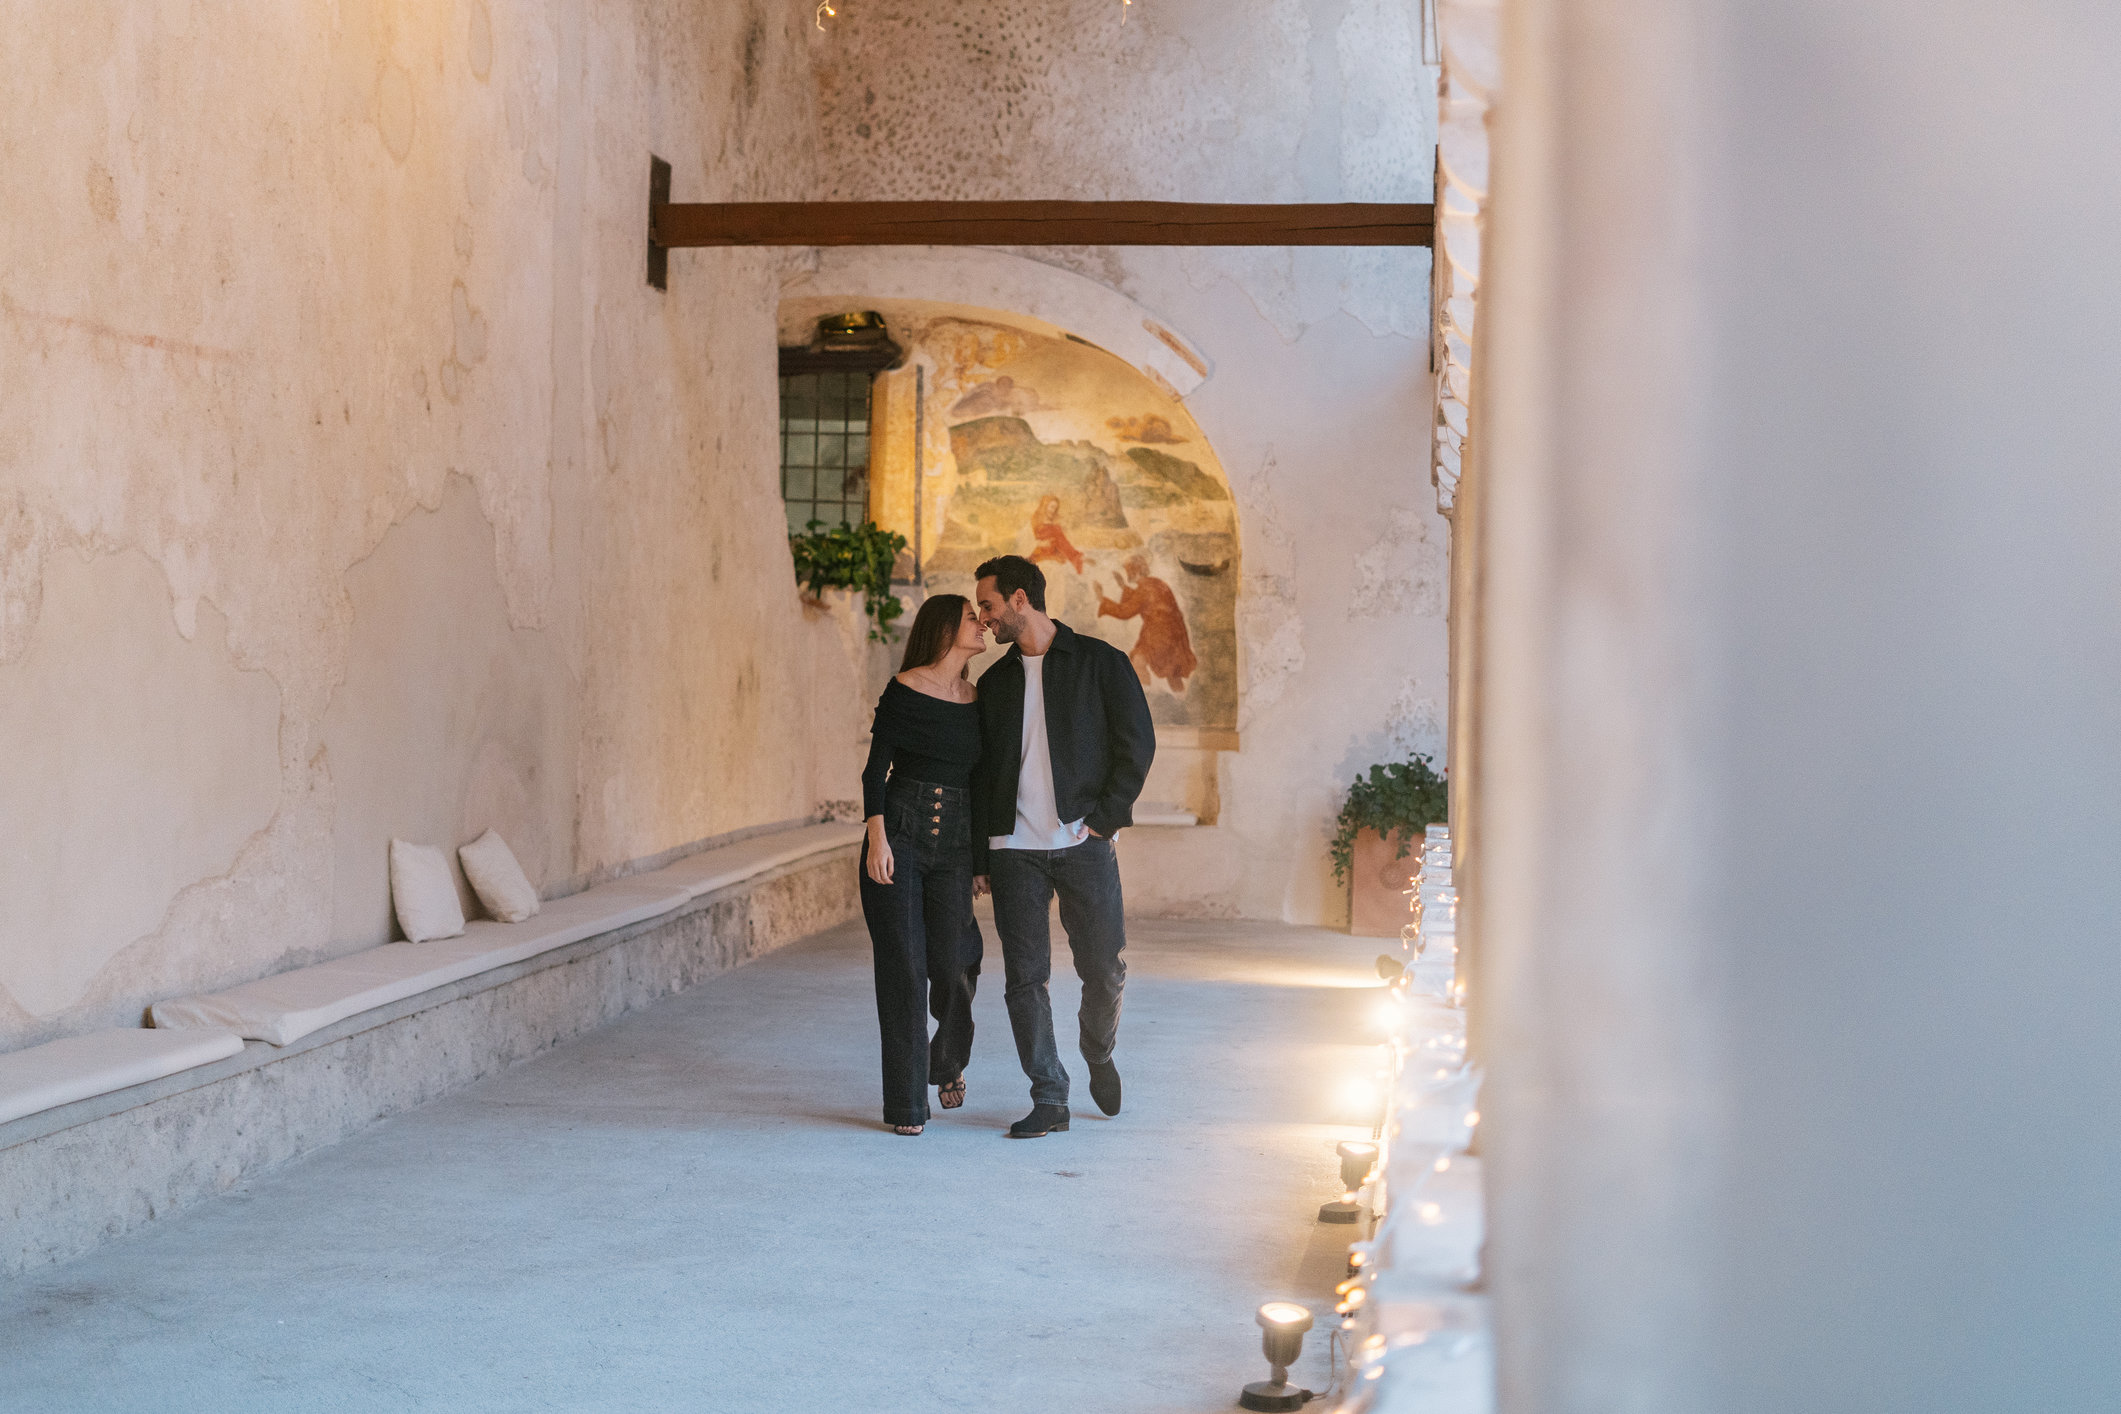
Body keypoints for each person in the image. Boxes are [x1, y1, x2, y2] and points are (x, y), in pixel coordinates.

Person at [971, 554, 1156, 1138]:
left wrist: (1104, 819)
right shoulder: (994, 684)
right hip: (1013, 850)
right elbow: (981, 774)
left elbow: (1137, 744)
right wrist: (981, 854)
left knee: (1104, 967)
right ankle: (1049, 1094)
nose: (984, 618)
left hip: (1082, 841)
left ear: (1020, 599)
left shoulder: (1101, 663)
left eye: (988, 605)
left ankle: (1098, 1052)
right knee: (1025, 979)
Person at [859, 593, 989, 1136]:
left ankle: (948, 1059)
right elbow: (875, 772)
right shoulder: (905, 687)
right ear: (945, 628)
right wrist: (878, 839)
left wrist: (979, 860)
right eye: (972, 617)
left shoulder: (976, 697)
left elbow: (980, 785)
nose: (982, 624)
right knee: (904, 973)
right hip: (901, 837)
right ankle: (907, 1107)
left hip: (955, 845)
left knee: (957, 962)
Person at [1096, 553, 1197, 693]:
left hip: (1159, 636)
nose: (1127, 573)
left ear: (1135, 570)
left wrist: (1101, 599)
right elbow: (1141, 601)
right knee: (1172, 673)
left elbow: (1125, 611)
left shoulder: (1145, 589)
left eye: (1128, 570)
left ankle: (1145, 697)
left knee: (1138, 662)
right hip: (1172, 635)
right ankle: (1179, 698)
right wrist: (1123, 586)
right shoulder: (1155, 583)